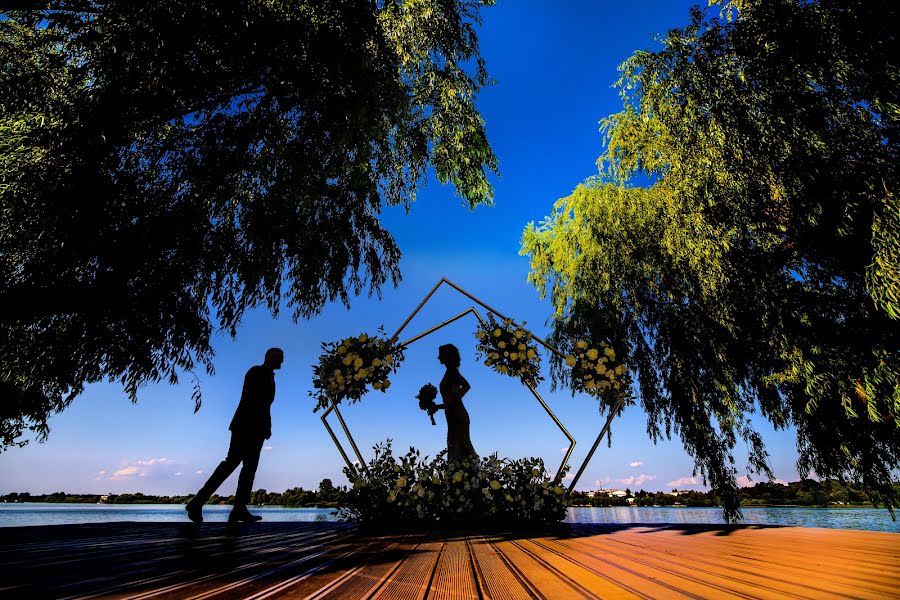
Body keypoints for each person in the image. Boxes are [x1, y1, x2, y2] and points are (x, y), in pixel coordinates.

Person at [186, 347, 284, 523]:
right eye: (279, 357)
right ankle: (197, 503)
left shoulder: (268, 376)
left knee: (248, 469)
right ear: (270, 357)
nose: (281, 361)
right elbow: (253, 401)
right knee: (230, 464)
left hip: (256, 428)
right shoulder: (257, 372)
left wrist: (266, 427)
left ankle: (238, 509)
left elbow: (265, 405)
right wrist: (259, 425)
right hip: (246, 427)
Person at [435, 344, 477, 462]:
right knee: (456, 445)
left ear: (447, 356)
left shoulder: (452, 371)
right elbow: (449, 401)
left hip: (457, 415)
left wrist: (455, 399)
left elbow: (466, 385)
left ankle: (468, 474)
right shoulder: (450, 371)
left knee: (460, 445)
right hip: (453, 415)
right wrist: (437, 406)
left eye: (441, 355)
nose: (438, 358)